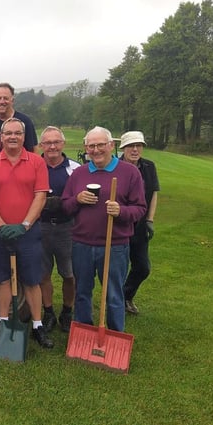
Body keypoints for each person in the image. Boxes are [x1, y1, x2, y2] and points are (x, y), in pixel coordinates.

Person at [61, 126, 146, 332]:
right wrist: (77, 199)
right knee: (82, 292)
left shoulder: (129, 172)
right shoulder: (79, 174)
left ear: (111, 145)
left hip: (114, 246)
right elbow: (65, 205)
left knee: (114, 294)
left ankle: (116, 333)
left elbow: (140, 208)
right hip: (82, 244)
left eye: (100, 145)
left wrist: (121, 211)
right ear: (86, 148)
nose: (96, 150)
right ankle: (84, 331)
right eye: (91, 146)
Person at [0, 117, 53, 349]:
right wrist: (1, 226)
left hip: (28, 232)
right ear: (1, 137)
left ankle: (37, 325)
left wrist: (25, 224)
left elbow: (40, 196)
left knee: (32, 279)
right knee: (0, 278)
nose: (12, 137)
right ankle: (2, 323)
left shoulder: (36, 163)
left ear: (24, 137)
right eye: (8, 133)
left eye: (17, 133)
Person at [37, 126, 81, 333]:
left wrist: (64, 203)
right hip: (40, 227)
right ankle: (48, 313)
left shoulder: (75, 168)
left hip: (67, 227)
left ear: (63, 144)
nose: (52, 146)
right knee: (43, 274)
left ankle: (67, 311)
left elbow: (82, 199)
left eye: (56, 142)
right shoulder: (34, 165)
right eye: (47, 143)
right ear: (41, 145)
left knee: (69, 274)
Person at [119, 131, 160, 315]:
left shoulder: (149, 167)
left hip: (140, 225)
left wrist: (150, 220)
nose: (135, 149)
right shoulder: (115, 166)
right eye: (130, 146)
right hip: (120, 225)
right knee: (117, 269)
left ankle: (124, 295)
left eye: (138, 146)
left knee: (142, 267)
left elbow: (154, 194)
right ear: (123, 148)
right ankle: (115, 302)